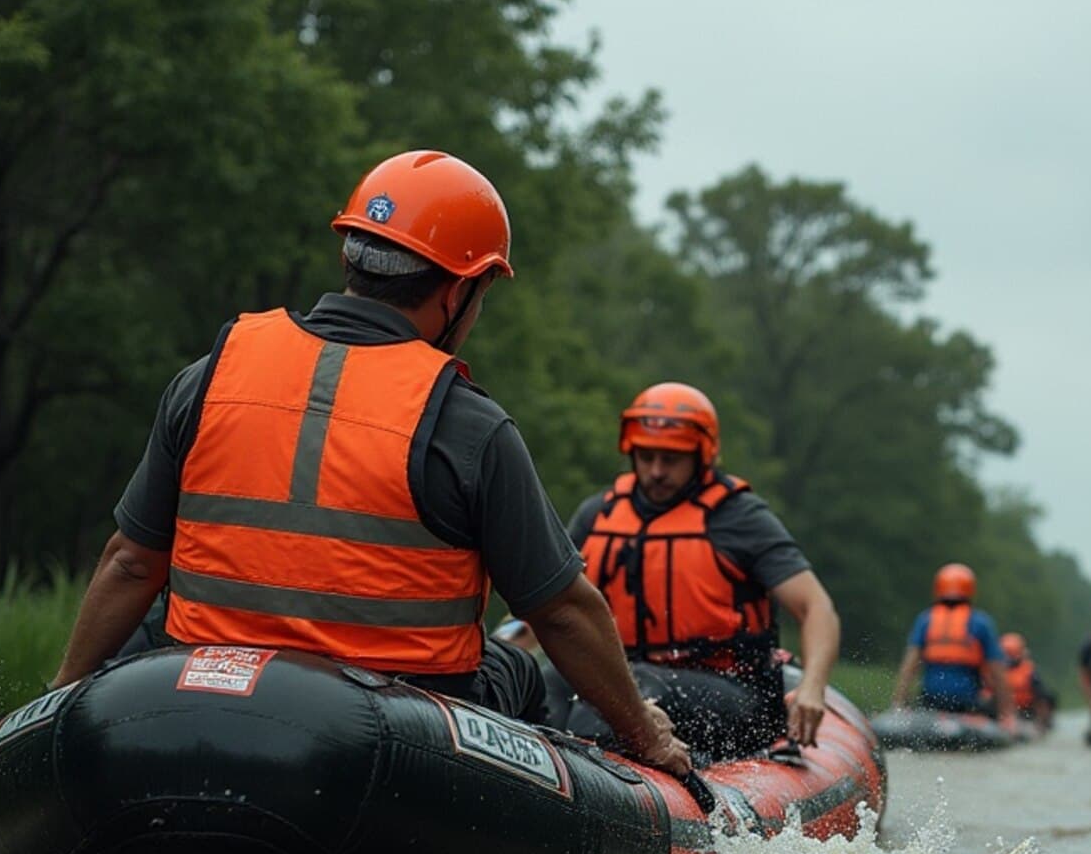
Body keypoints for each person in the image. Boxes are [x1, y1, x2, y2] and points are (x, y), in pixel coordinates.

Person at [48, 149, 689, 776]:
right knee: (517, 669)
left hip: (198, 692)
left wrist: (57, 702)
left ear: (351, 254)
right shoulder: (469, 424)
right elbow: (562, 613)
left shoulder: (209, 377)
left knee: (147, 633)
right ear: (460, 290)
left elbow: (132, 562)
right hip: (391, 729)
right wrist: (645, 734)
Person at [557, 381, 841, 759]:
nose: (656, 471)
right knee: (539, 683)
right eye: (647, 457)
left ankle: (593, 782)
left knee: (637, 685)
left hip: (729, 687)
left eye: (670, 459)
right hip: (623, 681)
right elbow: (545, 607)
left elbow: (816, 608)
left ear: (700, 456)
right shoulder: (598, 515)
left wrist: (813, 686)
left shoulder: (739, 517)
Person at [889, 564, 1014, 729]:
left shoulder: (925, 620)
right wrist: (1007, 714)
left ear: (938, 588)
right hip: (967, 704)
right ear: (970, 590)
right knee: (989, 706)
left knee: (920, 705)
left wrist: (898, 704)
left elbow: (909, 668)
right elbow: (998, 674)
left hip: (930, 702)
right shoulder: (981, 623)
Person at [1001, 632, 1055, 730]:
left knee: (1049, 696)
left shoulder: (1029, 671)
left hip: (1027, 710)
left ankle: (1043, 722)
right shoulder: (996, 671)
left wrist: (1041, 722)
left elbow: (1041, 697)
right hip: (1006, 712)